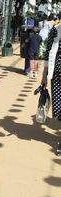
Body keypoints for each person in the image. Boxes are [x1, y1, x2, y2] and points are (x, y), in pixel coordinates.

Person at [41, 14, 61, 155]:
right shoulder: (56, 29)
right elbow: (48, 52)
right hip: (58, 73)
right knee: (59, 108)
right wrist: (44, 74)